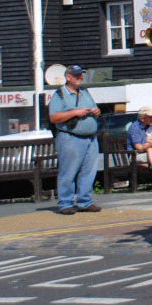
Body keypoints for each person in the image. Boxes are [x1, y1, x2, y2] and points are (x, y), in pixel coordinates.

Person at [48, 64, 102, 214]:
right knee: (68, 172)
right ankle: (65, 203)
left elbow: (95, 109)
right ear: (68, 77)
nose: (80, 77)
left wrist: (96, 112)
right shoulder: (59, 95)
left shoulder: (85, 92)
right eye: (77, 75)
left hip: (90, 138)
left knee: (88, 171)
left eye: (81, 75)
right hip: (70, 138)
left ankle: (85, 202)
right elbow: (54, 117)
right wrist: (75, 112)